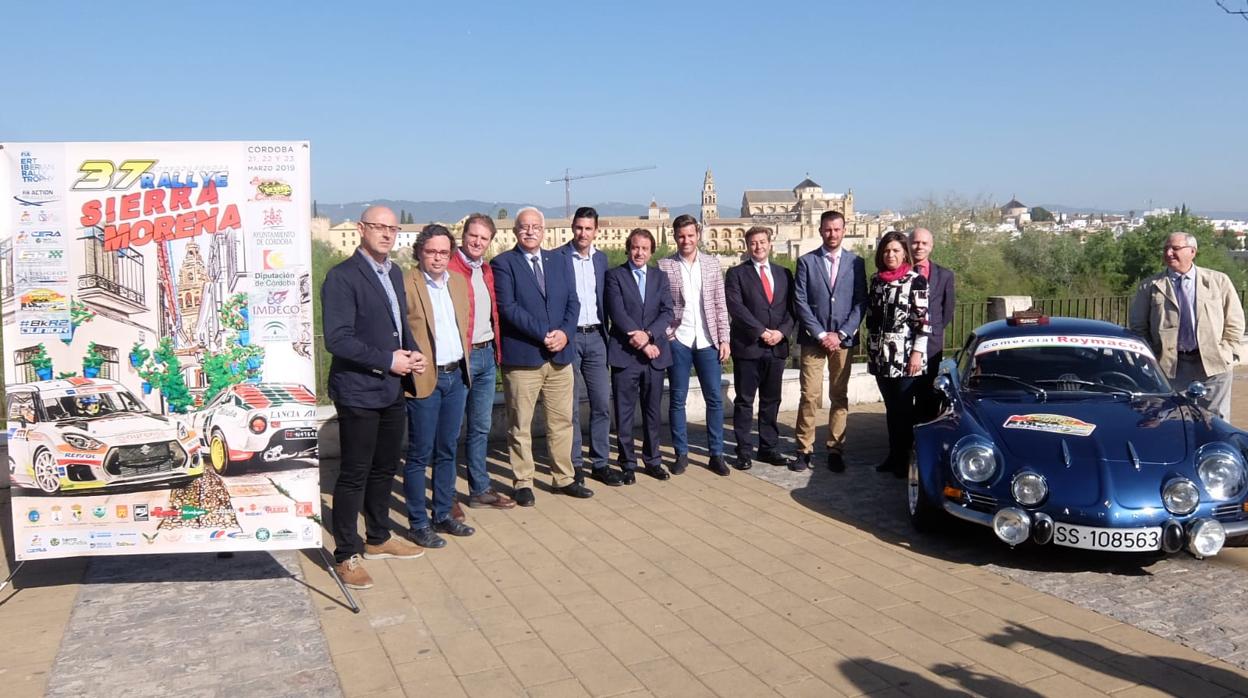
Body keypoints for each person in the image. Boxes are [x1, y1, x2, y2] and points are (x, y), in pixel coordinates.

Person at [321, 205, 427, 589]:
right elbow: (338, 339)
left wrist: (411, 352)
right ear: (362, 229)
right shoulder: (342, 277)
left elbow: (399, 325)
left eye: (392, 228)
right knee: (354, 473)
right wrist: (387, 360)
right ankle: (346, 553)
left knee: (384, 468)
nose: (386, 234)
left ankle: (378, 537)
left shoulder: (393, 271)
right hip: (358, 390)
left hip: (390, 388)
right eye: (379, 227)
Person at [491, 207, 594, 506]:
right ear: (515, 231)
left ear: (544, 229)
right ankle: (523, 480)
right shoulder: (503, 263)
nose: (530, 231)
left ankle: (563, 477)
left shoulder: (559, 261)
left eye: (536, 226)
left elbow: (573, 301)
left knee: (562, 421)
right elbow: (508, 308)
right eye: (524, 227)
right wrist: (544, 334)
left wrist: (564, 333)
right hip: (523, 358)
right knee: (520, 423)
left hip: (560, 356)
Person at [402, 225, 477, 549]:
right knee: (420, 453)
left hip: (456, 377)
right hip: (425, 380)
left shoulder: (458, 283)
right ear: (420, 251)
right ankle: (418, 523)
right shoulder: (406, 283)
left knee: (447, 450)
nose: (437, 258)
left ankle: (443, 514)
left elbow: (465, 326)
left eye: (444, 252)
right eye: (431, 251)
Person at [1129, 231, 1244, 420]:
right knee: (1172, 420)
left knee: (1215, 422)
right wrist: (1153, 359)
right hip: (1170, 368)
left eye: (1175, 248)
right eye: (1166, 249)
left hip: (1214, 366)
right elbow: (1138, 328)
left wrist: (1227, 353)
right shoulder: (1149, 286)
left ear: (1192, 251)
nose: (1169, 253)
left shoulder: (1218, 281)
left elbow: (1235, 322)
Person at [447, 214, 516, 511]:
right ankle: (445, 495)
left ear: (490, 242)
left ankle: (479, 489)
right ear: (463, 236)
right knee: (449, 431)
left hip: (487, 355)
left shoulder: (486, 270)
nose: (477, 242)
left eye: (483, 238)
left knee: (479, 427)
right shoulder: (448, 268)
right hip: (460, 358)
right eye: (473, 235)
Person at [657, 214, 730, 475]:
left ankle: (716, 454)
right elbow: (660, 305)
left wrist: (724, 339)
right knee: (677, 399)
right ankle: (681, 454)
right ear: (675, 237)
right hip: (679, 339)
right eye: (681, 236)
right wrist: (668, 335)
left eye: (690, 235)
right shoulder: (664, 265)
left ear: (697, 235)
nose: (686, 240)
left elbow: (720, 304)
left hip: (708, 340)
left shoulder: (712, 264)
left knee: (714, 399)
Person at [794, 210, 867, 472]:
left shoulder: (856, 263)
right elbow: (800, 301)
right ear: (820, 230)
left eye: (836, 229)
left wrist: (842, 334)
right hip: (814, 340)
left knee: (839, 395)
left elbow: (861, 301)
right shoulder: (806, 261)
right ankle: (804, 449)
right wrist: (822, 334)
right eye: (827, 229)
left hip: (843, 342)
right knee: (809, 395)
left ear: (844, 230)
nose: (832, 234)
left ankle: (836, 448)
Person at [724, 226, 798, 472]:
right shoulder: (736, 274)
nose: (758, 247)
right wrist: (761, 332)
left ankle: (768, 448)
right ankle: (743, 452)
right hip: (749, 347)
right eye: (753, 243)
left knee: (771, 400)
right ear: (747, 246)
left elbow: (792, 308)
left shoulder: (784, 273)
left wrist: (782, 332)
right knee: (745, 401)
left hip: (776, 347)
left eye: (762, 242)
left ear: (770, 243)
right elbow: (737, 308)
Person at [605, 229, 674, 483]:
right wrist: (644, 343)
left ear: (651, 251)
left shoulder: (660, 277)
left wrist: (649, 336)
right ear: (628, 248)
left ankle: (653, 460)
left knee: (652, 412)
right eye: (635, 247)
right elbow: (618, 313)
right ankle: (627, 463)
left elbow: (667, 311)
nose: (639, 253)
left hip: (655, 356)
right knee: (624, 412)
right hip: (626, 354)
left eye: (645, 248)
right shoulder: (615, 276)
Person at [559, 207, 620, 486]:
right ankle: (574, 464)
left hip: (596, 337)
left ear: (596, 231)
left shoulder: (602, 259)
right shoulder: (558, 258)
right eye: (579, 228)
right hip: (570, 338)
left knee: (601, 403)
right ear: (573, 228)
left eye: (588, 228)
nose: (583, 233)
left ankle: (601, 462)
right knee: (569, 407)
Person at [865, 231, 932, 477]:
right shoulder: (877, 280)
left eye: (895, 250)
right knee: (892, 409)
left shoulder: (916, 280)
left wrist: (917, 353)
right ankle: (893, 456)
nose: (890, 255)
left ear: (904, 252)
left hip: (905, 356)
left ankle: (906, 460)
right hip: (880, 355)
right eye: (886, 250)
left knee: (904, 409)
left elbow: (923, 320)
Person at [909, 227, 956, 422]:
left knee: (927, 394)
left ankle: (923, 441)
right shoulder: (899, 272)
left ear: (931, 246)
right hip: (902, 342)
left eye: (924, 243)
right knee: (903, 395)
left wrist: (933, 331)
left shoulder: (944, 275)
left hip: (932, 345)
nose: (919, 247)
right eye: (915, 242)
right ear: (908, 244)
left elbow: (947, 310)